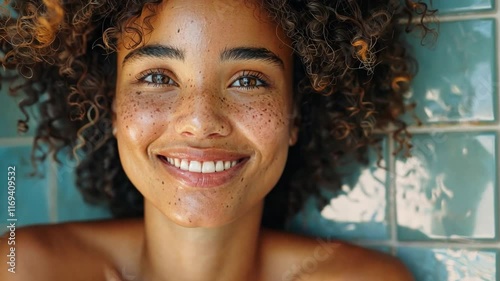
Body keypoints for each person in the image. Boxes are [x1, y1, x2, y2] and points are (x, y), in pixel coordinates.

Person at [0, 0, 434, 280]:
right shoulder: (22, 268)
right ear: (110, 106)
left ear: (294, 116)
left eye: (248, 80)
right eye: (156, 77)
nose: (199, 121)